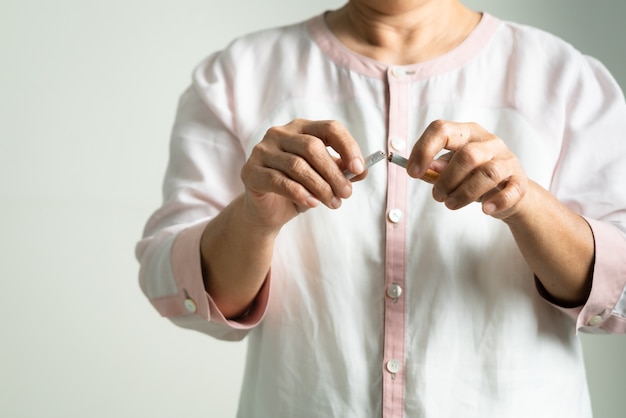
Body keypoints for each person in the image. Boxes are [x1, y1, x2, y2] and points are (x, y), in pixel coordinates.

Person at [136, 1, 626, 416]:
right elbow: (177, 289)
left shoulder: (569, 79)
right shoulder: (236, 76)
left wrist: (525, 203)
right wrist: (252, 219)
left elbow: (620, 295)